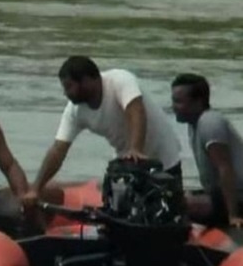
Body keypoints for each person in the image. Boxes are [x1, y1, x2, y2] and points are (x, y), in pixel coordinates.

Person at [22, 56, 183, 209]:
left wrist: (136, 149)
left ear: (85, 81)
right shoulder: (75, 111)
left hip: (164, 158)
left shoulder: (120, 80)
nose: (65, 93)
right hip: (128, 165)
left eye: (69, 87)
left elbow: (135, 110)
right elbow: (58, 150)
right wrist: (36, 188)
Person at [171, 73, 243, 227]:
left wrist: (233, 216)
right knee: (174, 196)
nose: (173, 107)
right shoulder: (193, 124)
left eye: (178, 102)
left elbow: (225, 168)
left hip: (238, 198)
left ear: (198, 102)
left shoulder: (210, 123)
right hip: (219, 194)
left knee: (176, 205)